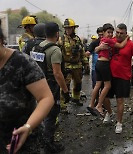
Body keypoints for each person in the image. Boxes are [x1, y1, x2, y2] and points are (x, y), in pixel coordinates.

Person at [0, 27, 54, 153]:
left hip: (22, 141)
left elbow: (46, 98)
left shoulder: (22, 62)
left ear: (1, 40)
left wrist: (28, 126)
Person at [99, 23, 133, 133]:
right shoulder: (111, 40)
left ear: (125, 34)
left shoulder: (131, 45)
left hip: (123, 76)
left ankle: (119, 123)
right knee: (104, 97)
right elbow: (96, 48)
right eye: (117, 32)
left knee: (120, 100)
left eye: (121, 33)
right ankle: (109, 113)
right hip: (109, 75)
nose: (118, 35)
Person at [35, 22, 70, 153]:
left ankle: (41, 139)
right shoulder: (55, 50)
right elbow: (57, 73)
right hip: (50, 86)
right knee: (51, 114)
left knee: (41, 112)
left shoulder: (38, 47)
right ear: (57, 33)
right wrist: (65, 91)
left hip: (38, 83)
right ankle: (48, 145)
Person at [87, 23, 128, 116]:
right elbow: (121, 46)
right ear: (104, 33)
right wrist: (126, 38)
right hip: (104, 64)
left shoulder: (101, 40)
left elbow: (96, 50)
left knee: (97, 85)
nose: (110, 34)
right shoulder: (108, 41)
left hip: (98, 64)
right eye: (108, 32)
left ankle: (91, 104)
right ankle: (99, 105)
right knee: (107, 86)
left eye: (111, 33)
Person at [58, 18, 89, 108]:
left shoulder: (77, 39)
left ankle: (76, 98)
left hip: (78, 66)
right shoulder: (61, 40)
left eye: (70, 28)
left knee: (78, 84)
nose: (68, 30)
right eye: (66, 28)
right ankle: (63, 105)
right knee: (65, 85)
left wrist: (86, 63)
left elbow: (82, 53)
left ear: (73, 29)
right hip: (67, 65)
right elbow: (58, 53)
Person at [85, 27, 103, 106]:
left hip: (105, 68)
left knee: (104, 87)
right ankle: (97, 101)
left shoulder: (109, 42)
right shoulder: (95, 43)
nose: (101, 36)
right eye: (99, 35)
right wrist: (87, 53)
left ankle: (101, 102)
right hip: (95, 68)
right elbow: (88, 52)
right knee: (95, 86)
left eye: (102, 34)